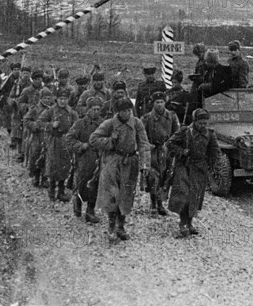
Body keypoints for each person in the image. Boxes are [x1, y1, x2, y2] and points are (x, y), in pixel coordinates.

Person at [89, 98, 151, 244]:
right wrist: (110, 141)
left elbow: (144, 143)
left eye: (129, 110)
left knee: (126, 195)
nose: (127, 113)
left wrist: (145, 164)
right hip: (112, 161)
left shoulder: (136, 123)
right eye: (123, 111)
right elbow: (93, 139)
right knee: (112, 195)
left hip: (130, 163)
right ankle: (111, 227)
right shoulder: (109, 124)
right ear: (118, 112)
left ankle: (121, 227)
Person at [165, 108, 220, 238]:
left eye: (205, 123)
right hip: (184, 167)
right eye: (200, 123)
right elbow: (170, 143)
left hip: (200, 169)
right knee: (184, 195)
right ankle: (183, 223)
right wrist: (181, 152)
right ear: (194, 121)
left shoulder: (210, 134)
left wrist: (212, 167)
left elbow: (215, 152)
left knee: (195, 197)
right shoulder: (185, 132)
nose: (203, 126)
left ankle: (190, 223)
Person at [65, 96, 105, 223]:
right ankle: (77, 204)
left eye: (98, 109)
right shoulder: (80, 123)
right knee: (81, 182)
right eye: (93, 109)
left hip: (99, 158)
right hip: (83, 157)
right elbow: (69, 139)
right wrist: (81, 146)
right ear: (88, 110)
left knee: (95, 184)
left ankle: (90, 211)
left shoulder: (103, 124)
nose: (96, 112)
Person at [141, 92, 180, 216]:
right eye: (157, 102)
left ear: (165, 103)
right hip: (153, 151)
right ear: (153, 103)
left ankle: (160, 203)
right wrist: (147, 145)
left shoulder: (172, 116)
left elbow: (177, 133)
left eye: (161, 102)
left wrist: (171, 145)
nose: (159, 105)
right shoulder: (147, 118)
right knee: (153, 177)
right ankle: (153, 203)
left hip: (166, 150)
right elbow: (141, 135)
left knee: (165, 177)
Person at [38, 87, 79, 202]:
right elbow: (40, 122)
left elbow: (78, 126)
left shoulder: (71, 112)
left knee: (65, 166)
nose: (63, 101)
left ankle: (61, 192)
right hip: (54, 141)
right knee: (52, 165)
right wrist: (51, 125)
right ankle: (51, 192)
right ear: (57, 99)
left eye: (65, 99)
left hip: (66, 142)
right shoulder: (50, 110)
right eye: (61, 98)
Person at [24, 88, 54, 188]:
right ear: (40, 98)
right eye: (45, 98)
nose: (47, 100)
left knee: (47, 157)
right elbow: (26, 120)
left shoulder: (53, 109)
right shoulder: (34, 109)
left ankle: (45, 178)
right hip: (37, 136)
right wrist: (34, 125)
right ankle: (36, 177)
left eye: (49, 98)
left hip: (49, 136)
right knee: (36, 156)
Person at [18, 70, 44, 162]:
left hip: (42, 117)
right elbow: (20, 103)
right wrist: (28, 107)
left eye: (40, 79)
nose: (38, 81)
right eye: (36, 79)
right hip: (29, 117)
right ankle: (23, 154)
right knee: (26, 136)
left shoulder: (45, 91)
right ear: (33, 80)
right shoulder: (26, 91)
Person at [8, 64, 31, 151]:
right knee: (16, 124)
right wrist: (13, 101)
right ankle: (14, 140)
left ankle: (23, 147)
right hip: (17, 108)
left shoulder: (31, 84)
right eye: (24, 73)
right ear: (22, 74)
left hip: (27, 108)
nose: (26, 75)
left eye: (28, 73)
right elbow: (11, 96)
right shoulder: (17, 84)